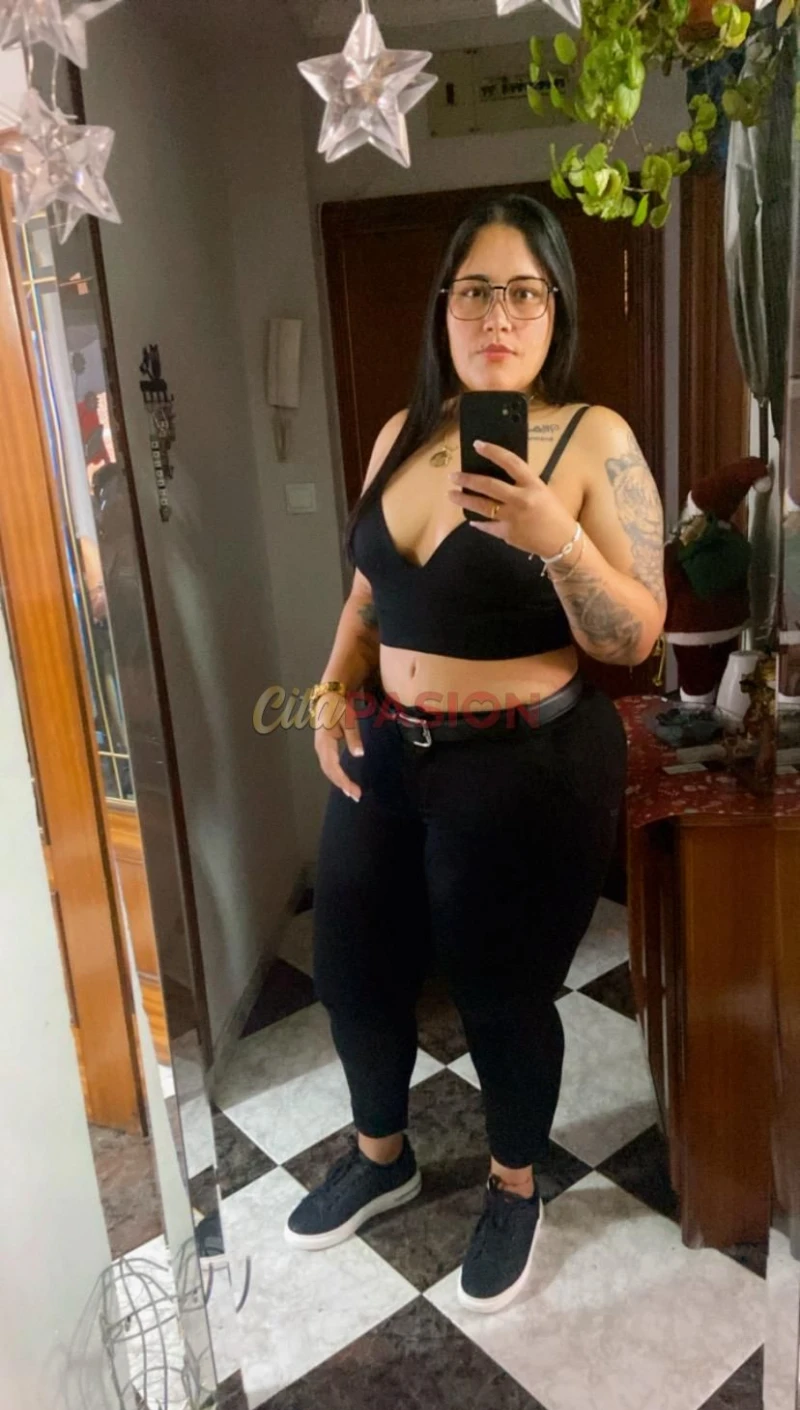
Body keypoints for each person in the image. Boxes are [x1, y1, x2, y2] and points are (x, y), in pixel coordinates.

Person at [284, 192, 666, 1313]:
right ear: (442, 307)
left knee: (500, 993)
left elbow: (634, 637)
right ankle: (381, 1157)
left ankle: (512, 1185)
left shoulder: (593, 438)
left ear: (556, 310)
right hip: (387, 751)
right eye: (474, 290)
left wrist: (558, 542)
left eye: (523, 292)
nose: (497, 315)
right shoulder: (398, 436)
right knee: (351, 968)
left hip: (526, 766)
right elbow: (367, 593)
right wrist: (329, 686)